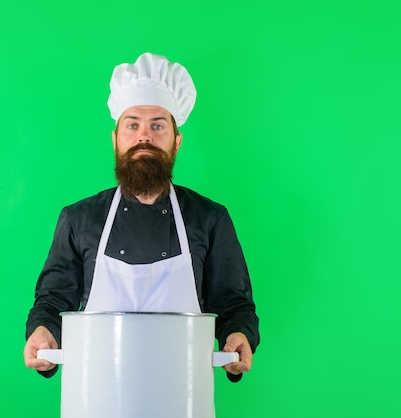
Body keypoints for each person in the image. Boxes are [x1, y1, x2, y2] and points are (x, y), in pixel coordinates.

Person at [23, 52, 259, 382]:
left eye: (157, 125)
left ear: (176, 143)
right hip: (95, 400)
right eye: (132, 125)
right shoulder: (79, 219)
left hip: (183, 399)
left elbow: (235, 306)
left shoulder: (210, 218)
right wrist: (43, 331)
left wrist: (239, 336)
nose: (143, 136)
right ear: (115, 139)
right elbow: (52, 300)